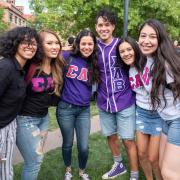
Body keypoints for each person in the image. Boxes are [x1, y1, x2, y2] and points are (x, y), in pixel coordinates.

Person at [95, 8, 139, 180]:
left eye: (107, 24)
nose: (103, 28)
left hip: (124, 100)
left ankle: (134, 174)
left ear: (113, 26)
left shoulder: (122, 45)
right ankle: (118, 164)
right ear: (96, 27)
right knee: (111, 136)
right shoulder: (93, 47)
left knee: (128, 140)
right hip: (104, 101)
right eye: (100, 25)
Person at [16, 29, 65, 180]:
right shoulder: (28, 65)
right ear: (39, 46)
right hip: (25, 120)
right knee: (35, 161)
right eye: (49, 43)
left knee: (37, 159)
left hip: (43, 119)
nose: (55, 46)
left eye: (57, 43)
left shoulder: (56, 67)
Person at [138, 19, 180, 180]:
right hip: (165, 120)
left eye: (152, 36)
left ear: (160, 39)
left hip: (177, 120)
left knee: (170, 174)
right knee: (162, 168)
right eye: (143, 36)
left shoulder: (167, 64)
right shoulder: (148, 61)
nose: (146, 41)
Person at [56, 29, 100, 180]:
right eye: (83, 43)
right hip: (65, 109)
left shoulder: (95, 62)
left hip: (84, 110)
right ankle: (68, 169)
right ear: (77, 44)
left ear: (94, 46)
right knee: (67, 143)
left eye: (90, 44)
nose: (87, 47)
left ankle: (82, 171)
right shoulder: (67, 57)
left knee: (83, 146)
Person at [117, 36, 163, 180]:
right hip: (142, 113)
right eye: (122, 51)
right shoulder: (128, 69)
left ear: (136, 49)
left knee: (153, 158)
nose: (126, 53)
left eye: (129, 49)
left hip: (158, 114)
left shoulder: (148, 63)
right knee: (142, 154)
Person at [0, 27, 40, 180]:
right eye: (25, 42)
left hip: (9, 125)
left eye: (33, 43)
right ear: (14, 43)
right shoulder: (6, 67)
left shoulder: (21, 69)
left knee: (5, 171)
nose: (30, 46)